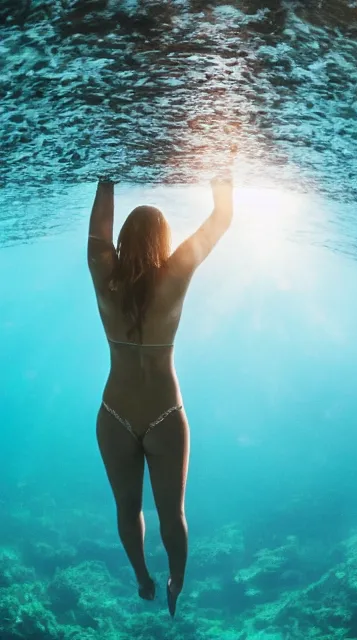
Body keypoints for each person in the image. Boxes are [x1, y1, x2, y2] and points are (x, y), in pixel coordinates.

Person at [87, 177, 234, 617]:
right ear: (163, 240)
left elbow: (97, 231)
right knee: (173, 514)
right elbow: (222, 218)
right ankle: (177, 580)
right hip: (165, 413)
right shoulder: (176, 272)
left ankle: (142, 579)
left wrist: (107, 180)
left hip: (114, 413)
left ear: (123, 240)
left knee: (127, 509)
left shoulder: (102, 271)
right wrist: (221, 172)